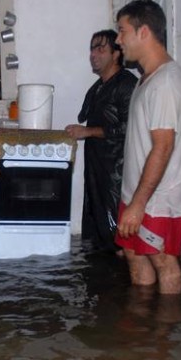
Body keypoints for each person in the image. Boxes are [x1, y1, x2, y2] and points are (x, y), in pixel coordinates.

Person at [114, 0, 181, 295]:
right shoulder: (146, 79)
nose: (118, 40)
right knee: (134, 254)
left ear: (143, 31)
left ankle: (166, 333)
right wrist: (131, 200)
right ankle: (144, 332)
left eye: (122, 31)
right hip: (137, 193)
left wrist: (138, 204)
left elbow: (163, 147)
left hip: (158, 198)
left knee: (163, 262)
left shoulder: (165, 82)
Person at [65, 29, 137, 254]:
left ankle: (126, 281)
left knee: (121, 239)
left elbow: (130, 128)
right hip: (97, 170)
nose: (93, 54)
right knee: (100, 235)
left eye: (100, 49)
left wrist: (88, 132)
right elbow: (83, 118)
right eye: (92, 48)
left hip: (118, 170)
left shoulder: (126, 84)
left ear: (116, 54)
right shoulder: (96, 88)